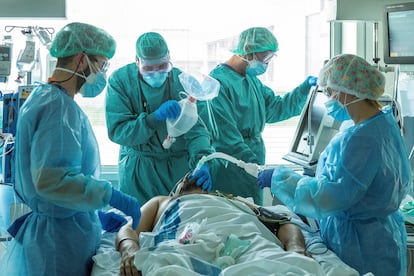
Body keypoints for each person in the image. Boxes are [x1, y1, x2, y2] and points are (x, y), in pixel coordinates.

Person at [0, 22, 142, 276]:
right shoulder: (57, 108)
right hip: (57, 243)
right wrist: (109, 194)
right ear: (80, 59)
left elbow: (56, 181)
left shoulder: (46, 98)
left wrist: (92, 212)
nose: (102, 73)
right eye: (100, 64)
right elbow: (53, 181)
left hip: (58, 231)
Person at [257, 53, 412, 276]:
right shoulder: (379, 123)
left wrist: (281, 180)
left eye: (329, 91)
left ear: (347, 91)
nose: (328, 97)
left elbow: (329, 196)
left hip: (361, 246)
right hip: (378, 237)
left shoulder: (361, 139)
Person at [198, 27, 318, 205]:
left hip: (250, 163)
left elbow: (277, 108)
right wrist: (253, 165)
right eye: (265, 57)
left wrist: (304, 89)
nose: (267, 63)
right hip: (231, 165)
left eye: (271, 58)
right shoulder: (217, 84)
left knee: (254, 216)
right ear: (248, 51)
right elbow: (226, 139)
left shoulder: (251, 80)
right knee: (237, 218)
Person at [115, 173, 319, 276]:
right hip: (182, 243)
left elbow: (282, 222)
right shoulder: (163, 202)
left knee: (283, 265)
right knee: (167, 266)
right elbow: (128, 228)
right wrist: (129, 249)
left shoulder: (232, 200)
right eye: (186, 177)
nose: (191, 177)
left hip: (244, 237)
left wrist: (295, 248)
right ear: (176, 188)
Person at [105, 32, 214, 205]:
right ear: (137, 61)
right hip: (139, 171)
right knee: (140, 224)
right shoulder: (121, 81)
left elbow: (197, 130)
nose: (156, 73)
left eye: (162, 66)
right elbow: (119, 131)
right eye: (148, 68)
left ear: (170, 59)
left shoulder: (182, 81)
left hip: (178, 169)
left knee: (178, 225)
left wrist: (202, 161)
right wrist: (153, 119)